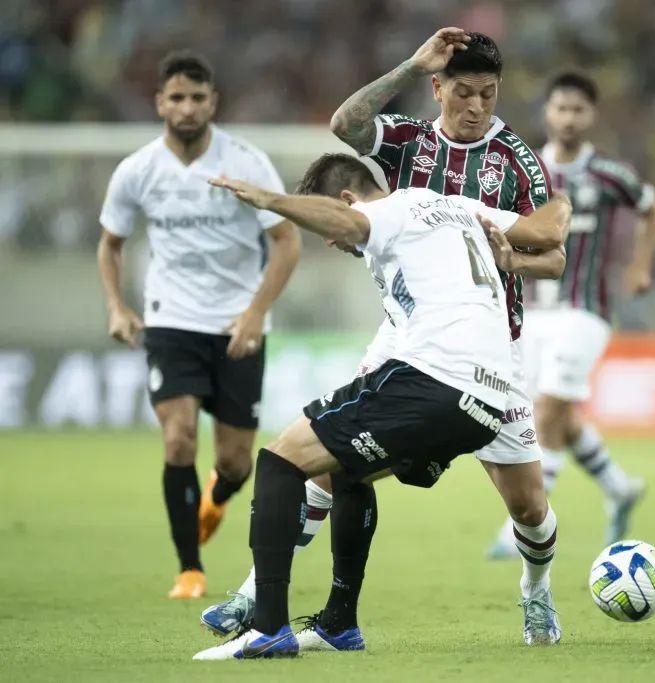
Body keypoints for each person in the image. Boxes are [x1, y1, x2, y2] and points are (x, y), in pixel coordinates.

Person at [200, 28, 568, 647]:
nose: (477, 106)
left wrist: (513, 262)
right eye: (465, 92)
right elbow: (346, 123)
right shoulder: (409, 140)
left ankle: (537, 590)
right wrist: (411, 64)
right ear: (439, 87)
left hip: (490, 343)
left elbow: (554, 253)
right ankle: (256, 595)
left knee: (528, 506)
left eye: (489, 93)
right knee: (322, 455)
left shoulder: (516, 161)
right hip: (405, 331)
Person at [96, 50, 300, 600]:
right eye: (177, 98)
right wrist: (117, 305)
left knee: (235, 462)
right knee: (179, 438)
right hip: (171, 320)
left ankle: (215, 496)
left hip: (236, 323)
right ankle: (190, 568)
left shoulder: (246, 162)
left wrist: (255, 311)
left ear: (213, 102)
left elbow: (287, 241)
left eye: (197, 97)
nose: (187, 107)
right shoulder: (138, 170)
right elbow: (110, 244)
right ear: (160, 103)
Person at [488, 71, 655, 559]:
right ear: (547, 112)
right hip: (530, 312)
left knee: (547, 409)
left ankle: (523, 523)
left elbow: (652, 209)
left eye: (578, 110)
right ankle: (619, 487)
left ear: (591, 116)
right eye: (561, 108)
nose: (568, 118)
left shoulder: (610, 173)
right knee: (554, 414)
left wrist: (641, 264)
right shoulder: (521, 170)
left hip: (586, 310)